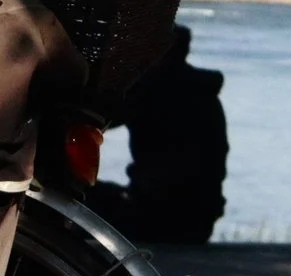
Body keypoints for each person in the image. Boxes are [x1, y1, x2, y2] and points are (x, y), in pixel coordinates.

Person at [90, 25, 227, 244]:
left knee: (76, 194)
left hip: (153, 214)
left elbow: (98, 120)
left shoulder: (151, 90)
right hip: (201, 218)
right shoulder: (205, 93)